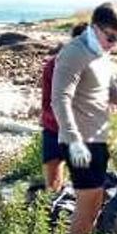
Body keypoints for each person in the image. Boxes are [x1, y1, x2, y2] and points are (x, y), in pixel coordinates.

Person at [51, 3, 117, 234]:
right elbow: (59, 98)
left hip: (98, 139)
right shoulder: (74, 52)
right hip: (79, 141)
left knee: (96, 198)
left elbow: (108, 93)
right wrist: (73, 140)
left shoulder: (103, 56)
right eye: (110, 37)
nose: (113, 44)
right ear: (94, 28)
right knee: (87, 199)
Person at [39, 22, 88, 191]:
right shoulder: (55, 65)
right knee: (53, 186)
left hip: (65, 129)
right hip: (57, 129)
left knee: (85, 185)